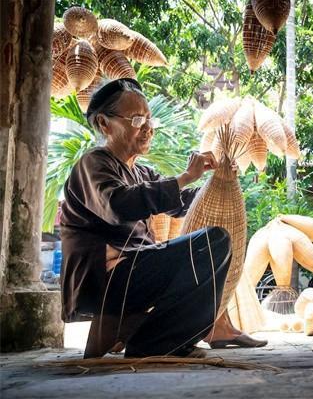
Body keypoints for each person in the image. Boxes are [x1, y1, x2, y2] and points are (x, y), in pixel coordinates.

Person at [60, 78, 265, 358]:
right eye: (136, 119)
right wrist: (184, 177)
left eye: (148, 119)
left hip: (134, 272)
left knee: (216, 243)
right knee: (213, 243)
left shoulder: (141, 172)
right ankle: (152, 341)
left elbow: (181, 203)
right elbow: (117, 205)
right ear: (104, 124)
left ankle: (160, 334)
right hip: (106, 281)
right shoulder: (93, 164)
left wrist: (220, 182)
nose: (147, 128)